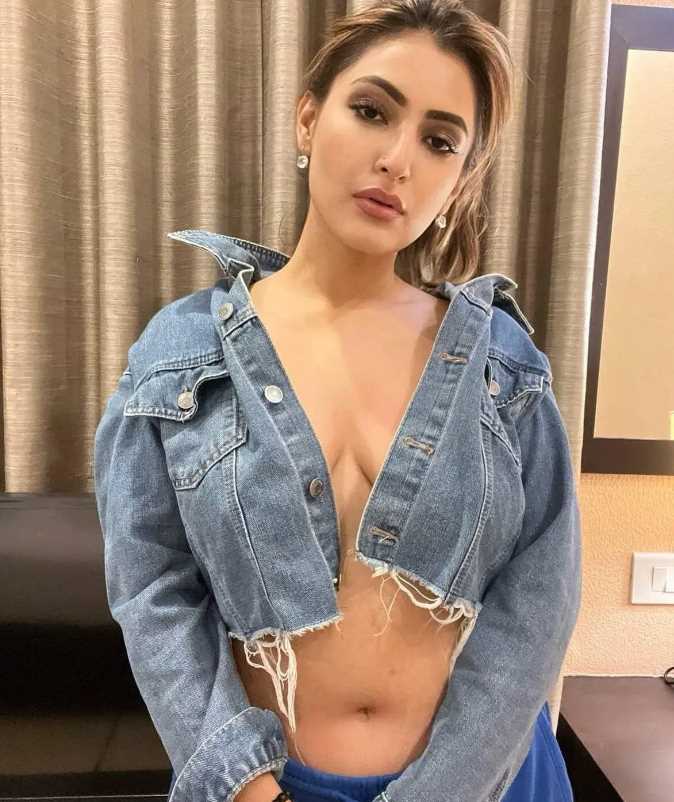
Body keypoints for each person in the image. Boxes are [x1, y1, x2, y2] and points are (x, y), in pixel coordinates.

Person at [94, 2, 581, 801]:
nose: (396, 159)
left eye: (439, 141)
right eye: (372, 111)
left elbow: (540, 600)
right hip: (265, 788)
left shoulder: (503, 364)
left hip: (484, 784)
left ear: (460, 178)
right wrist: (247, 789)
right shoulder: (180, 354)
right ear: (308, 119)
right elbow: (153, 591)